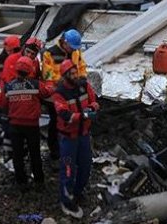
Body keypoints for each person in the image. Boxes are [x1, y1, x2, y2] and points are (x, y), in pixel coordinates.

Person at [0, 56, 53, 189]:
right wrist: (51, 84)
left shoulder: (9, 86)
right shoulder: (35, 84)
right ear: (30, 70)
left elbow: (1, 103)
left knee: (17, 155)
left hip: (15, 126)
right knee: (35, 154)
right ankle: (39, 181)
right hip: (31, 125)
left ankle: (21, 182)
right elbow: (46, 93)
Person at [52, 59, 99, 219]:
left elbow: (94, 101)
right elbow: (65, 115)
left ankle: (77, 192)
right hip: (68, 139)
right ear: (65, 76)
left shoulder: (84, 85)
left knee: (86, 166)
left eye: (75, 72)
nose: (74, 75)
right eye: (71, 74)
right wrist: (84, 115)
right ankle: (66, 201)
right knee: (68, 170)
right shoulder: (59, 93)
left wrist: (92, 108)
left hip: (83, 135)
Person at [41, 29, 87, 160]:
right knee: (56, 122)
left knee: (72, 120)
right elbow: (48, 75)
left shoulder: (76, 52)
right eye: (71, 47)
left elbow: (81, 66)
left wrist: (82, 78)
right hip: (55, 94)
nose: (73, 50)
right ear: (64, 42)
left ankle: (71, 147)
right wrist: (63, 81)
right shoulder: (50, 54)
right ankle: (55, 150)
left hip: (71, 92)